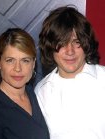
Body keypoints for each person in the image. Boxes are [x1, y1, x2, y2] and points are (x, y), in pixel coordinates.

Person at [35, 5, 105, 139]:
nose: (70, 51)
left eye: (76, 42)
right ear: (50, 47)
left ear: (86, 43)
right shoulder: (41, 91)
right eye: (62, 43)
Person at [0, 28, 50, 139]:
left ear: (33, 63)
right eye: (10, 60)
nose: (18, 68)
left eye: (25, 60)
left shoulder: (36, 94)